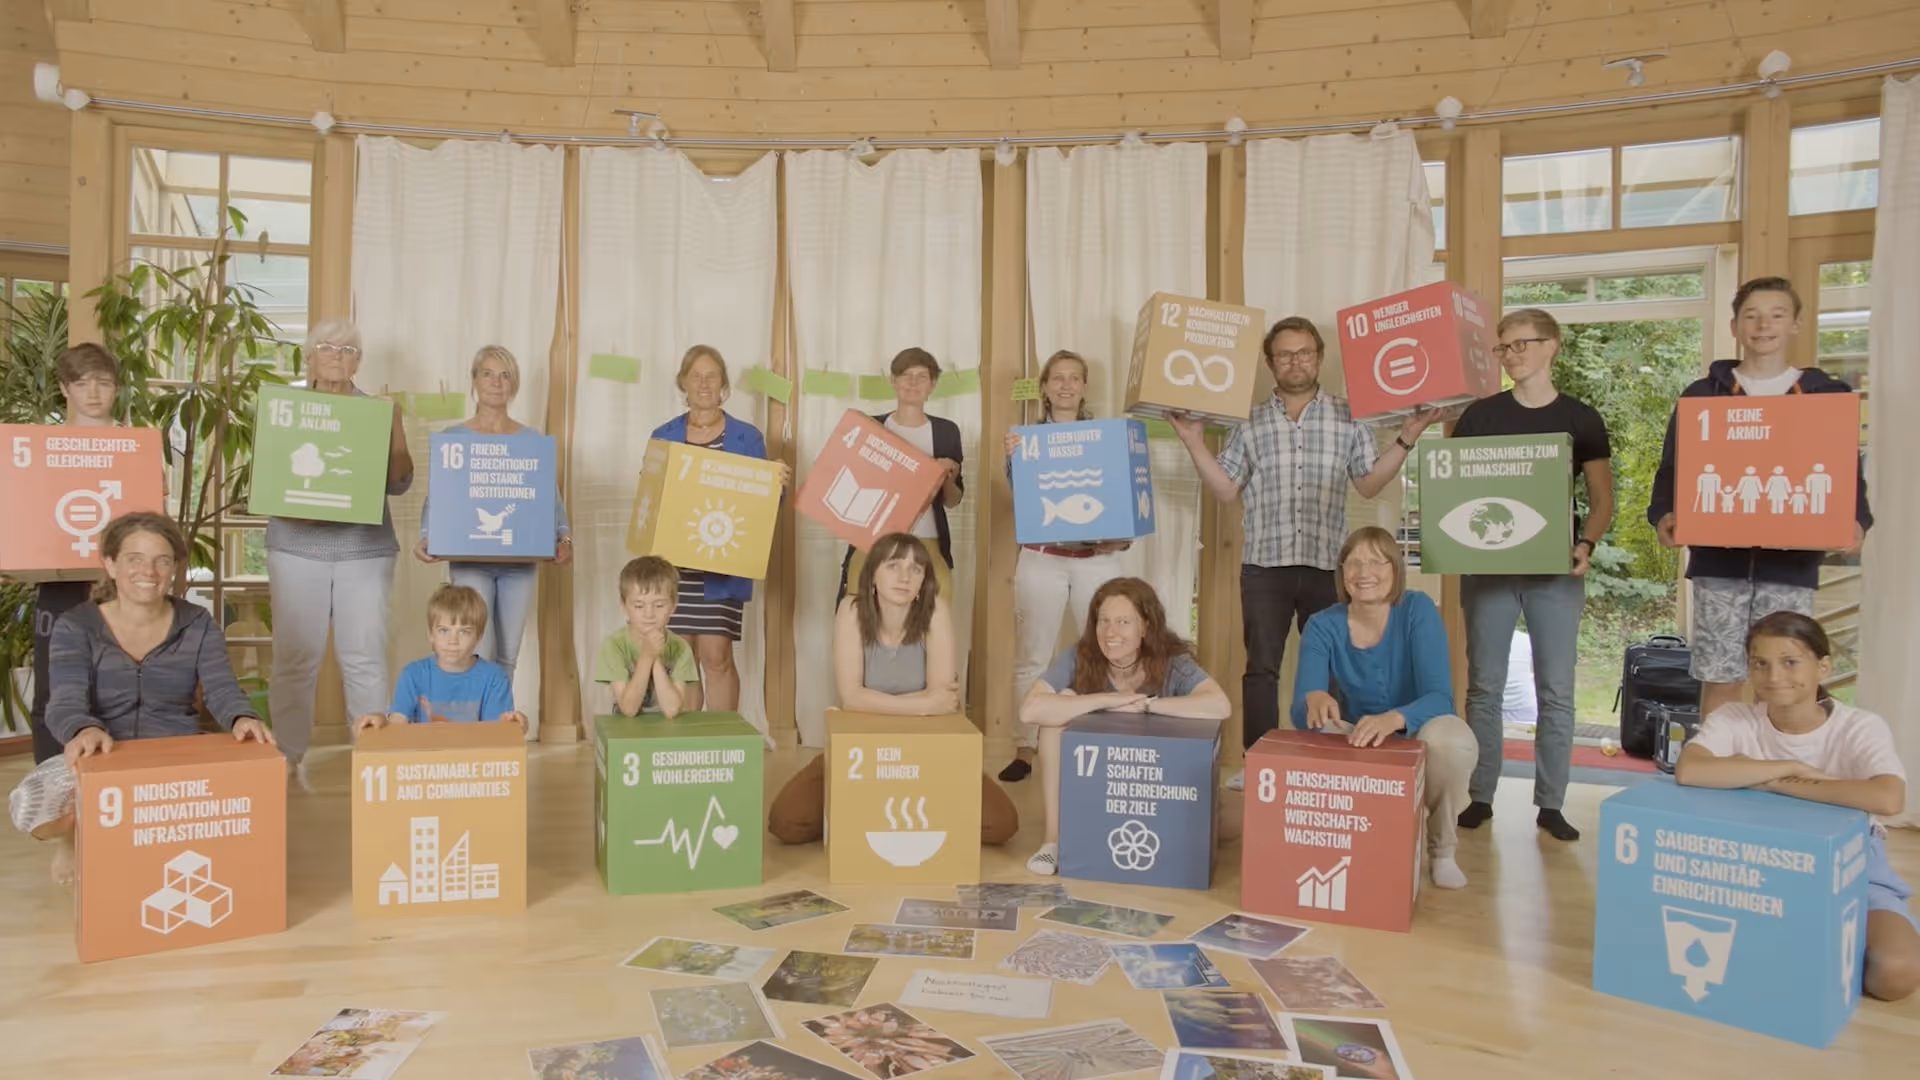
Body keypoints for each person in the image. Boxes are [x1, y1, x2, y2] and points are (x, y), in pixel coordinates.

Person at [1171, 316, 1436, 789]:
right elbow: (1226, 489)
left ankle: (1328, 760)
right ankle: (1257, 764)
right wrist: (1192, 440)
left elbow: (1369, 483)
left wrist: (1408, 436)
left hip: (1328, 566)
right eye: (1285, 354)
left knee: (1332, 668)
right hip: (1264, 566)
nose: (1296, 361)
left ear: (1319, 357)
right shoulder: (1249, 421)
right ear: (1271, 362)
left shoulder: (1348, 415)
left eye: (1305, 352)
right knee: (1260, 671)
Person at [1648, 277, 1872, 719]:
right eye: (1752, 315)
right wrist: (1664, 515)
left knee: (1787, 676)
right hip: (1718, 564)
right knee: (1720, 676)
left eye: (1776, 314)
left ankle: (1779, 771)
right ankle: (1715, 773)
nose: (1763, 325)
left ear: (1795, 323)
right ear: (1734, 325)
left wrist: (1856, 521)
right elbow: (1673, 469)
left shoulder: (1826, 396)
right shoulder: (1702, 395)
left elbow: (1847, 473)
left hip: (1791, 565)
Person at [9, 513, 272, 883]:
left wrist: (242, 717)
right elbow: (64, 701)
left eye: (162, 560)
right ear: (111, 564)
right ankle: (72, 836)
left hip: (172, 750)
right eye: (134, 558)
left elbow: (222, 689)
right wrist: (83, 729)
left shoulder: (197, 624)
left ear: (174, 567)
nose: (148, 570)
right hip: (102, 753)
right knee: (30, 809)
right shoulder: (76, 626)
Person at [1675, 612, 1918, 1002]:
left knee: (1895, 974)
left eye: (1790, 662)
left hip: (1856, 863)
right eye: (1761, 663)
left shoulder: (1859, 726)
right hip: (1762, 865)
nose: (1774, 676)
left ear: (1823, 666)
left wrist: (1774, 784)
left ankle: (1822, 946)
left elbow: (1887, 798)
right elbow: (1690, 770)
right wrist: (1790, 768)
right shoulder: (1735, 718)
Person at [1453, 309, 1613, 843]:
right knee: (1484, 688)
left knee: (1557, 690)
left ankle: (1551, 803)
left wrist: (1585, 544)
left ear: (1553, 347)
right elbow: (1454, 492)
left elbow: (1602, 499)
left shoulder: (1582, 419)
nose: (1514, 355)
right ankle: (1480, 795)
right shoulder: (1479, 417)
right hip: (1488, 572)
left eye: (1524, 343)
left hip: (1555, 573)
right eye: (1505, 347)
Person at [770, 532, 1017, 846]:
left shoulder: (935, 611)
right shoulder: (851, 610)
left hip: (928, 747)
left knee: (1001, 823)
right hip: (862, 747)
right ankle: (858, 809)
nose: (905, 576)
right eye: (893, 565)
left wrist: (875, 702)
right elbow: (852, 696)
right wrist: (925, 704)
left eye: (916, 569)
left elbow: (940, 694)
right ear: (872, 573)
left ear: (923, 581)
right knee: (787, 820)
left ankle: (901, 808)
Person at [267, 318, 414, 785]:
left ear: (358, 361)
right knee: (294, 657)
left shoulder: (376, 410)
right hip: (294, 547)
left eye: (348, 349)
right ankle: (286, 756)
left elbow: (401, 482)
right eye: (327, 347)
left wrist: (394, 424)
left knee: (365, 654)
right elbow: (270, 476)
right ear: (308, 357)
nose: (337, 355)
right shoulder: (285, 409)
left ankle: (371, 754)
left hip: (364, 549)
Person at [1291, 527, 1478, 890]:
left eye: (1376, 562)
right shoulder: (1321, 624)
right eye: (1354, 562)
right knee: (1324, 731)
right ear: (1342, 572)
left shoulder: (1417, 609)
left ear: (1395, 569)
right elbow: (1301, 715)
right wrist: (1313, 699)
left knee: (1451, 741)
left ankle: (1442, 850)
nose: (1364, 573)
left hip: (1416, 729)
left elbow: (1441, 698)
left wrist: (1394, 719)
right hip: (1360, 735)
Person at [1017, 576, 1234, 875]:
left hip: (1154, 785)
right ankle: (1053, 842)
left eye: (1123, 621)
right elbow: (1030, 711)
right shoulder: (1081, 654)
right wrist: (1106, 700)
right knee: (1056, 712)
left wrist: (1147, 704)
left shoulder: (1171, 659)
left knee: (1235, 823)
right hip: (1099, 781)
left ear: (1145, 627)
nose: (1110, 632)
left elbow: (1220, 705)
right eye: (1103, 621)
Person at [998, 349, 1129, 784]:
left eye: (1075, 378)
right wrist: (1015, 458)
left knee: (1107, 649)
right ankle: (1026, 745)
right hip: (1042, 557)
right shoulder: (1026, 439)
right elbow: (1024, 499)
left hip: (1095, 559)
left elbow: (1120, 502)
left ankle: (1102, 739)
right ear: (1045, 387)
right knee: (1032, 653)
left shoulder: (1107, 438)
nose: (1067, 385)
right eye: (1058, 378)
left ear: (1085, 386)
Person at [412, 346, 572, 687]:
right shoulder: (454, 438)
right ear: (474, 380)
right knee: (475, 647)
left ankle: (502, 726)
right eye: (488, 373)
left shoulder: (531, 439)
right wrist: (426, 534)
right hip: (469, 558)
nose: (496, 382)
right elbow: (440, 495)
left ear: (513, 384)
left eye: (505, 375)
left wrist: (564, 535)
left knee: (508, 655)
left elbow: (549, 496)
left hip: (520, 561)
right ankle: (476, 730)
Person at [649, 346, 789, 713]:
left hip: (722, 566)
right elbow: (651, 500)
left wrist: (777, 484)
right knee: (682, 662)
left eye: (712, 376)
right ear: (683, 382)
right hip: (675, 569)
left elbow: (765, 505)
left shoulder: (747, 437)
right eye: (696, 376)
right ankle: (691, 744)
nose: (704, 383)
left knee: (716, 657)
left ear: (723, 383)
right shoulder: (663, 435)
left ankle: (722, 741)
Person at [25, 344, 131, 766]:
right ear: (63, 389)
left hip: (121, 585)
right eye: (82, 384)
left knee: (121, 685)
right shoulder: (38, 447)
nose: (93, 394)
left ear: (116, 389)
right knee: (53, 687)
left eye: (103, 383)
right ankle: (53, 784)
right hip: (58, 581)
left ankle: (116, 776)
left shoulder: (134, 445)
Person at [839, 348, 965, 602]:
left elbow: (952, 501)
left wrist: (948, 477)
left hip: (927, 538)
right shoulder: (869, 426)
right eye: (906, 375)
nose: (913, 383)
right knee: (856, 600)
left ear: (933, 384)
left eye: (922, 376)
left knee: (940, 598)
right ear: (893, 381)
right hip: (874, 538)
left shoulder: (946, 431)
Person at [353, 584, 527, 733]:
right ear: (431, 634)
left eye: (464, 631)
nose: (452, 641)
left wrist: (514, 725)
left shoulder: (494, 677)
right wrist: (381, 721)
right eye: (443, 630)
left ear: (478, 636)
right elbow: (397, 724)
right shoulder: (412, 674)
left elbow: (497, 733)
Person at [593, 556, 702, 720]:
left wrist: (655, 658)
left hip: (666, 731)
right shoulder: (613, 645)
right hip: (625, 731)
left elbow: (672, 710)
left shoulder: (680, 647)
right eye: (638, 606)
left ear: (673, 606)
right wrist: (646, 656)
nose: (649, 614)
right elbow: (629, 709)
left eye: (659, 605)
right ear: (624, 605)